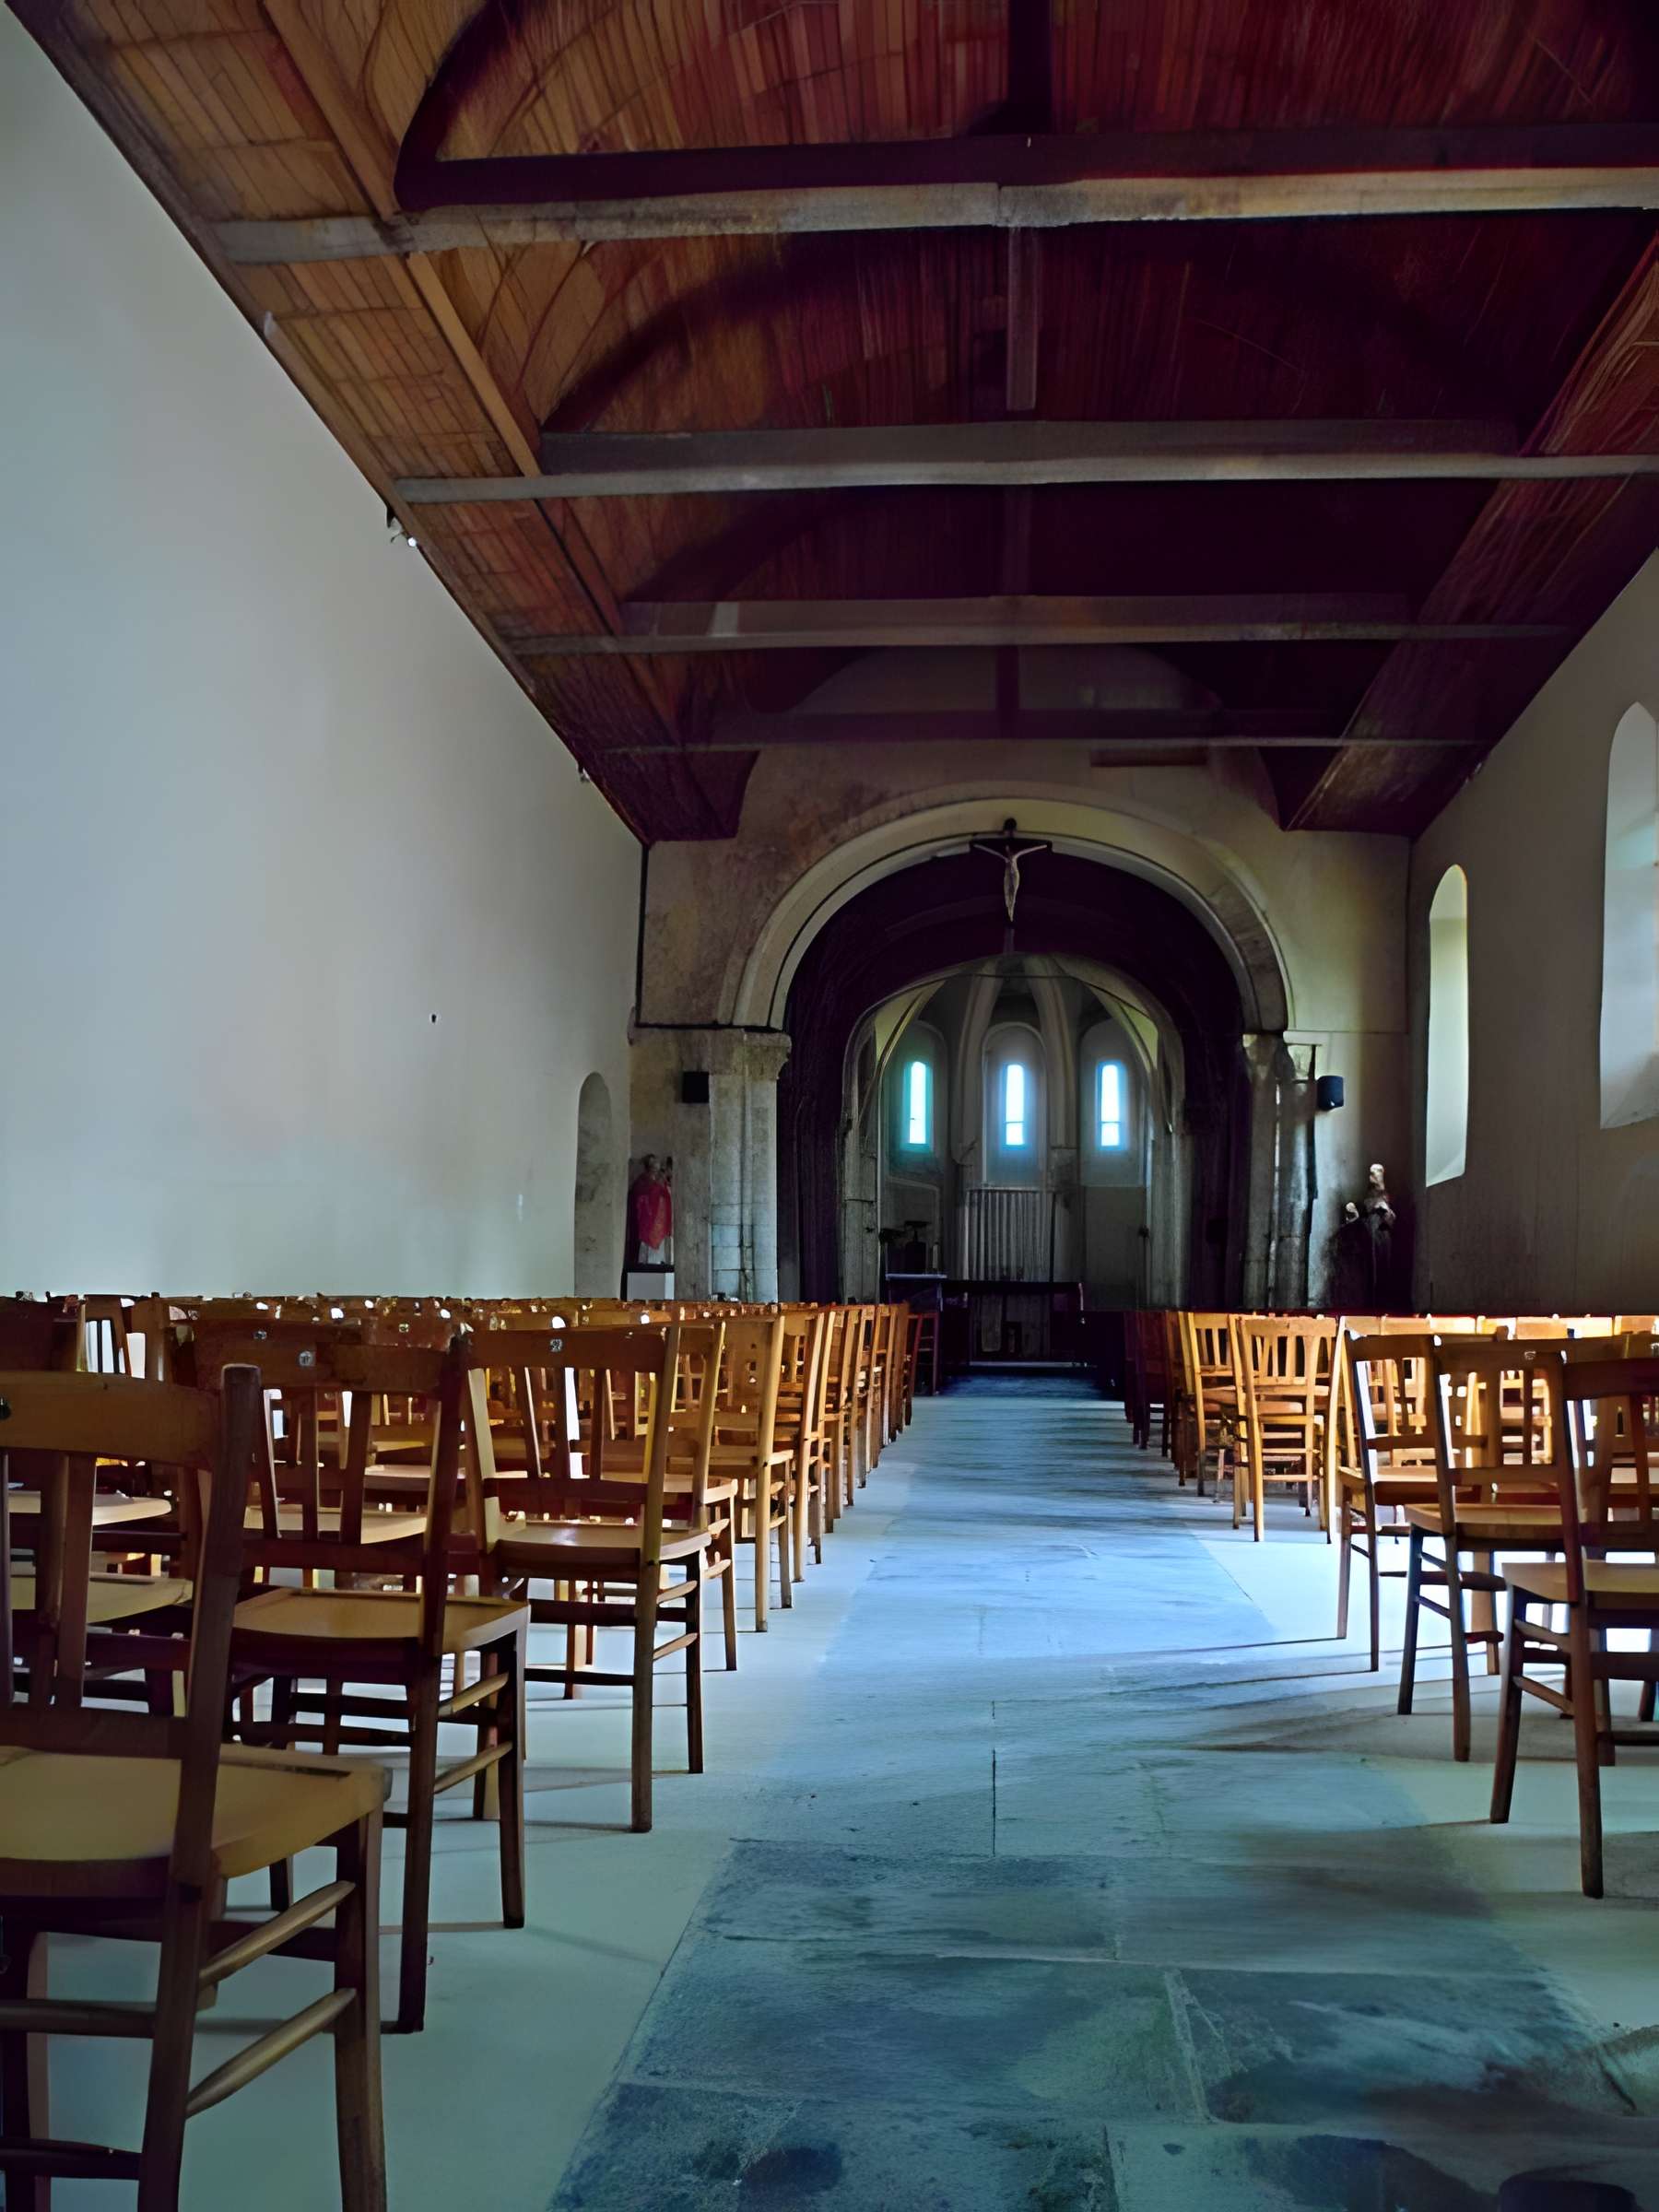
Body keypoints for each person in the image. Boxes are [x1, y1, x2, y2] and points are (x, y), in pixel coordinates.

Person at [629, 1153, 674, 1266]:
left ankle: (657, 1262)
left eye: (657, 1168)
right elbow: (640, 1194)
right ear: (649, 1167)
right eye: (654, 1167)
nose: (656, 1170)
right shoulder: (643, 1180)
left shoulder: (659, 1180)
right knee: (646, 1245)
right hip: (648, 1218)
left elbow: (665, 1194)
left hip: (659, 1219)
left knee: (658, 1249)